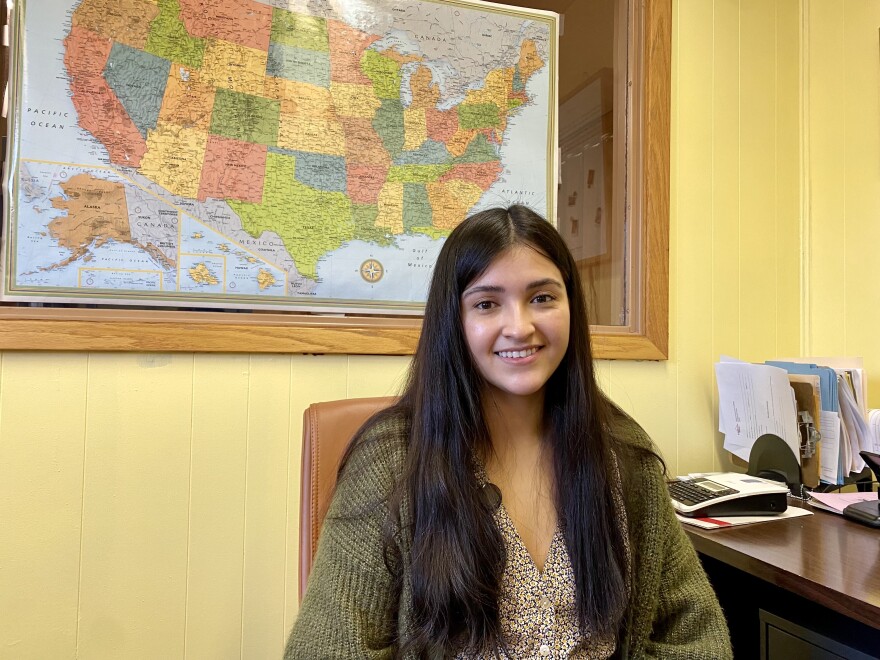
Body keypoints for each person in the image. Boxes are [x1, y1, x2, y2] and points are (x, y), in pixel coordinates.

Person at [285, 205, 732, 659]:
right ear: (453, 323)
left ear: (571, 308)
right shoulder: (391, 463)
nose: (520, 327)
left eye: (542, 298)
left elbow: (696, 635)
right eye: (486, 304)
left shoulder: (621, 453)